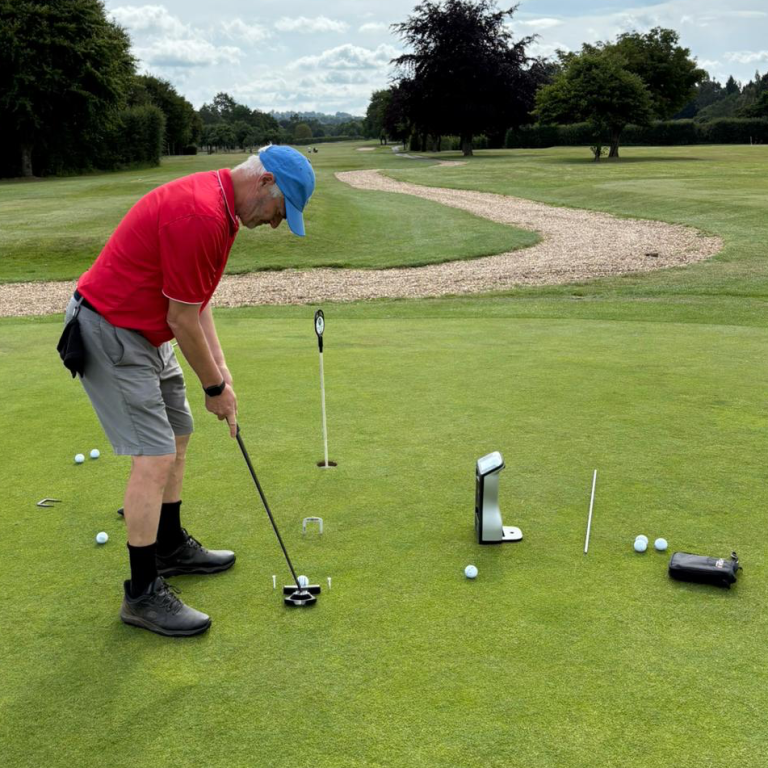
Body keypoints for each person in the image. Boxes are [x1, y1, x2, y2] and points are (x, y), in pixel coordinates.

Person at [62, 145, 315, 637]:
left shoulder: (223, 212)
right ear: (265, 183)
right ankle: (141, 594)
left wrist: (221, 369)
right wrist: (214, 387)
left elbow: (196, 303)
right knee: (154, 455)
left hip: (145, 328)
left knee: (179, 429)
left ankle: (169, 545)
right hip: (111, 327)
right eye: (282, 211)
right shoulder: (201, 214)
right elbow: (181, 318)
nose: (277, 224)